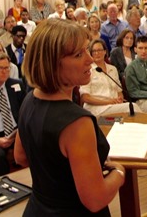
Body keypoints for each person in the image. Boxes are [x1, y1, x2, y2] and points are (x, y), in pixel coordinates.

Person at [14, 19, 125, 215]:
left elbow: (20, 157)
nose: (90, 59)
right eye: (78, 54)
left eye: (87, 50)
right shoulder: (77, 122)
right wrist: (119, 172)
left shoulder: (28, 100)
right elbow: (95, 199)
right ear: (52, 63)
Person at [80, 39, 141, 117]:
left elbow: (119, 91)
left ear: (105, 51)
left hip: (114, 106)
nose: (97, 53)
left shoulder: (113, 69)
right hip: (97, 109)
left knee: (130, 114)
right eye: (94, 51)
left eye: (99, 50)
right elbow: (85, 98)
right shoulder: (88, 70)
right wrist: (108, 101)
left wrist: (119, 99)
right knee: (132, 107)